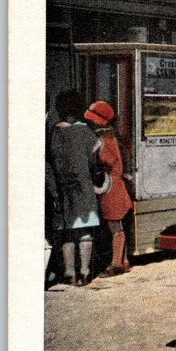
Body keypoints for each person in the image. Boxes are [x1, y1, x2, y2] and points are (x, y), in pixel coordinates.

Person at [48, 90, 103, 286]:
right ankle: (85, 271)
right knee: (85, 232)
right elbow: (96, 162)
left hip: (62, 189)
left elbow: (50, 163)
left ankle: (70, 273)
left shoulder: (55, 132)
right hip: (83, 186)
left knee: (68, 233)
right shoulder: (86, 132)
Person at [85, 101, 134, 278]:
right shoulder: (113, 138)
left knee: (115, 228)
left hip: (111, 189)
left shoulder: (104, 140)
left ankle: (116, 265)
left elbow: (107, 161)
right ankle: (125, 261)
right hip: (118, 186)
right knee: (120, 226)